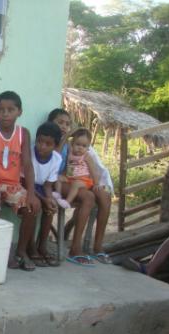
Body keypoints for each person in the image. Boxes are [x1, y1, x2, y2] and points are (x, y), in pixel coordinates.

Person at [0, 91, 40, 271]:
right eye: (1, 110)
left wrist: (32, 194)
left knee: (31, 207)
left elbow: (27, 165)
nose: (5, 113)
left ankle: (21, 252)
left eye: (10, 110)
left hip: (12, 184)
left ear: (19, 112)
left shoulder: (23, 134)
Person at [48, 108, 113, 266]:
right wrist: (65, 139)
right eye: (60, 122)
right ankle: (75, 248)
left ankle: (98, 246)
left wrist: (98, 184)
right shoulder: (50, 141)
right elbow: (55, 159)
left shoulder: (79, 146)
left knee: (104, 196)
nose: (64, 126)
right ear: (51, 123)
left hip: (77, 181)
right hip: (60, 181)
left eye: (67, 124)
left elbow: (91, 166)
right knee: (88, 197)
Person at [26, 121, 63, 267]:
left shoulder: (56, 159)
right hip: (27, 186)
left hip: (42, 188)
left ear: (55, 146)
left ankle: (42, 245)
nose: (42, 146)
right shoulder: (29, 152)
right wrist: (42, 199)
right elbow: (24, 181)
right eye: (40, 141)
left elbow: (48, 185)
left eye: (48, 144)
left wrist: (49, 198)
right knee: (35, 206)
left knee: (50, 209)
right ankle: (31, 247)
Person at [58, 128, 99, 207]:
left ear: (88, 147)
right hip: (70, 178)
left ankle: (67, 202)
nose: (80, 148)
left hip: (84, 180)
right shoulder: (70, 153)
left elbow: (93, 171)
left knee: (75, 184)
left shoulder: (86, 156)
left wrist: (96, 183)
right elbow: (69, 141)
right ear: (73, 144)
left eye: (84, 146)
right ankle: (58, 195)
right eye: (78, 144)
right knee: (58, 178)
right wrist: (69, 135)